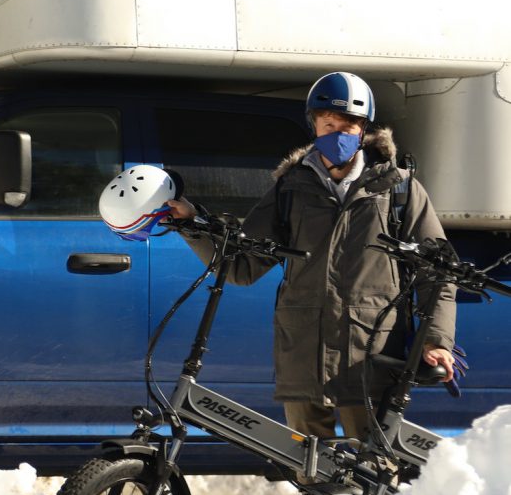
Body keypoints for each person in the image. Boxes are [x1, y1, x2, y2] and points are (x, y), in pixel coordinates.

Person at [168, 71, 456, 442]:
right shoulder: (291, 189)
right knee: (307, 470)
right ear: (314, 126)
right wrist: (194, 225)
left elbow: (439, 271)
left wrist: (436, 340)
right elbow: (241, 266)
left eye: (348, 126)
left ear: (363, 129)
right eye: (329, 123)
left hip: (369, 357)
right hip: (303, 358)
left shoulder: (398, 190)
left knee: (373, 472)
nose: (338, 133)